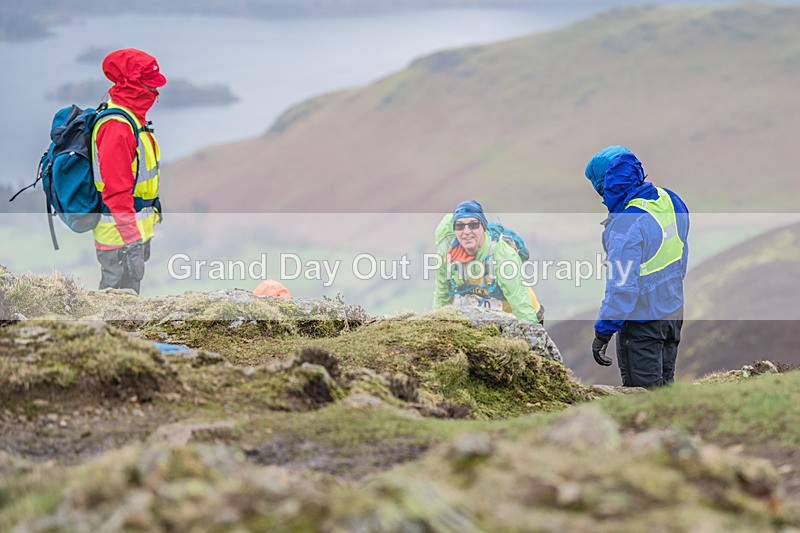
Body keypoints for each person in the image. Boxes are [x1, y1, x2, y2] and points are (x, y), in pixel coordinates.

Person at [584, 146, 689, 388]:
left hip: (642, 326)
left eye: (598, 186)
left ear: (606, 184)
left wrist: (603, 332)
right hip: (673, 315)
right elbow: (681, 255)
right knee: (666, 390)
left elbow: (622, 288)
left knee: (644, 399)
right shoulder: (671, 199)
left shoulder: (625, 226)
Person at [92, 48, 166, 294]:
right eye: (150, 85)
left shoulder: (133, 121)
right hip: (119, 238)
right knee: (114, 303)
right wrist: (131, 240)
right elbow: (116, 192)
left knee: (128, 304)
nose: (156, 92)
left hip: (132, 232)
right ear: (134, 85)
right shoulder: (117, 127)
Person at [432, 200, 544, 324]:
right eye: (459, 226)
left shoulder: (501, 254)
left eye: (473, 224)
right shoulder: (447, 254)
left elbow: (520, 302)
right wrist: (435, 327)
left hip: (520, 315)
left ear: (483, 227)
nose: (466, 231)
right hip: (486, 321)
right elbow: (442, 296)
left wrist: (530, 333)